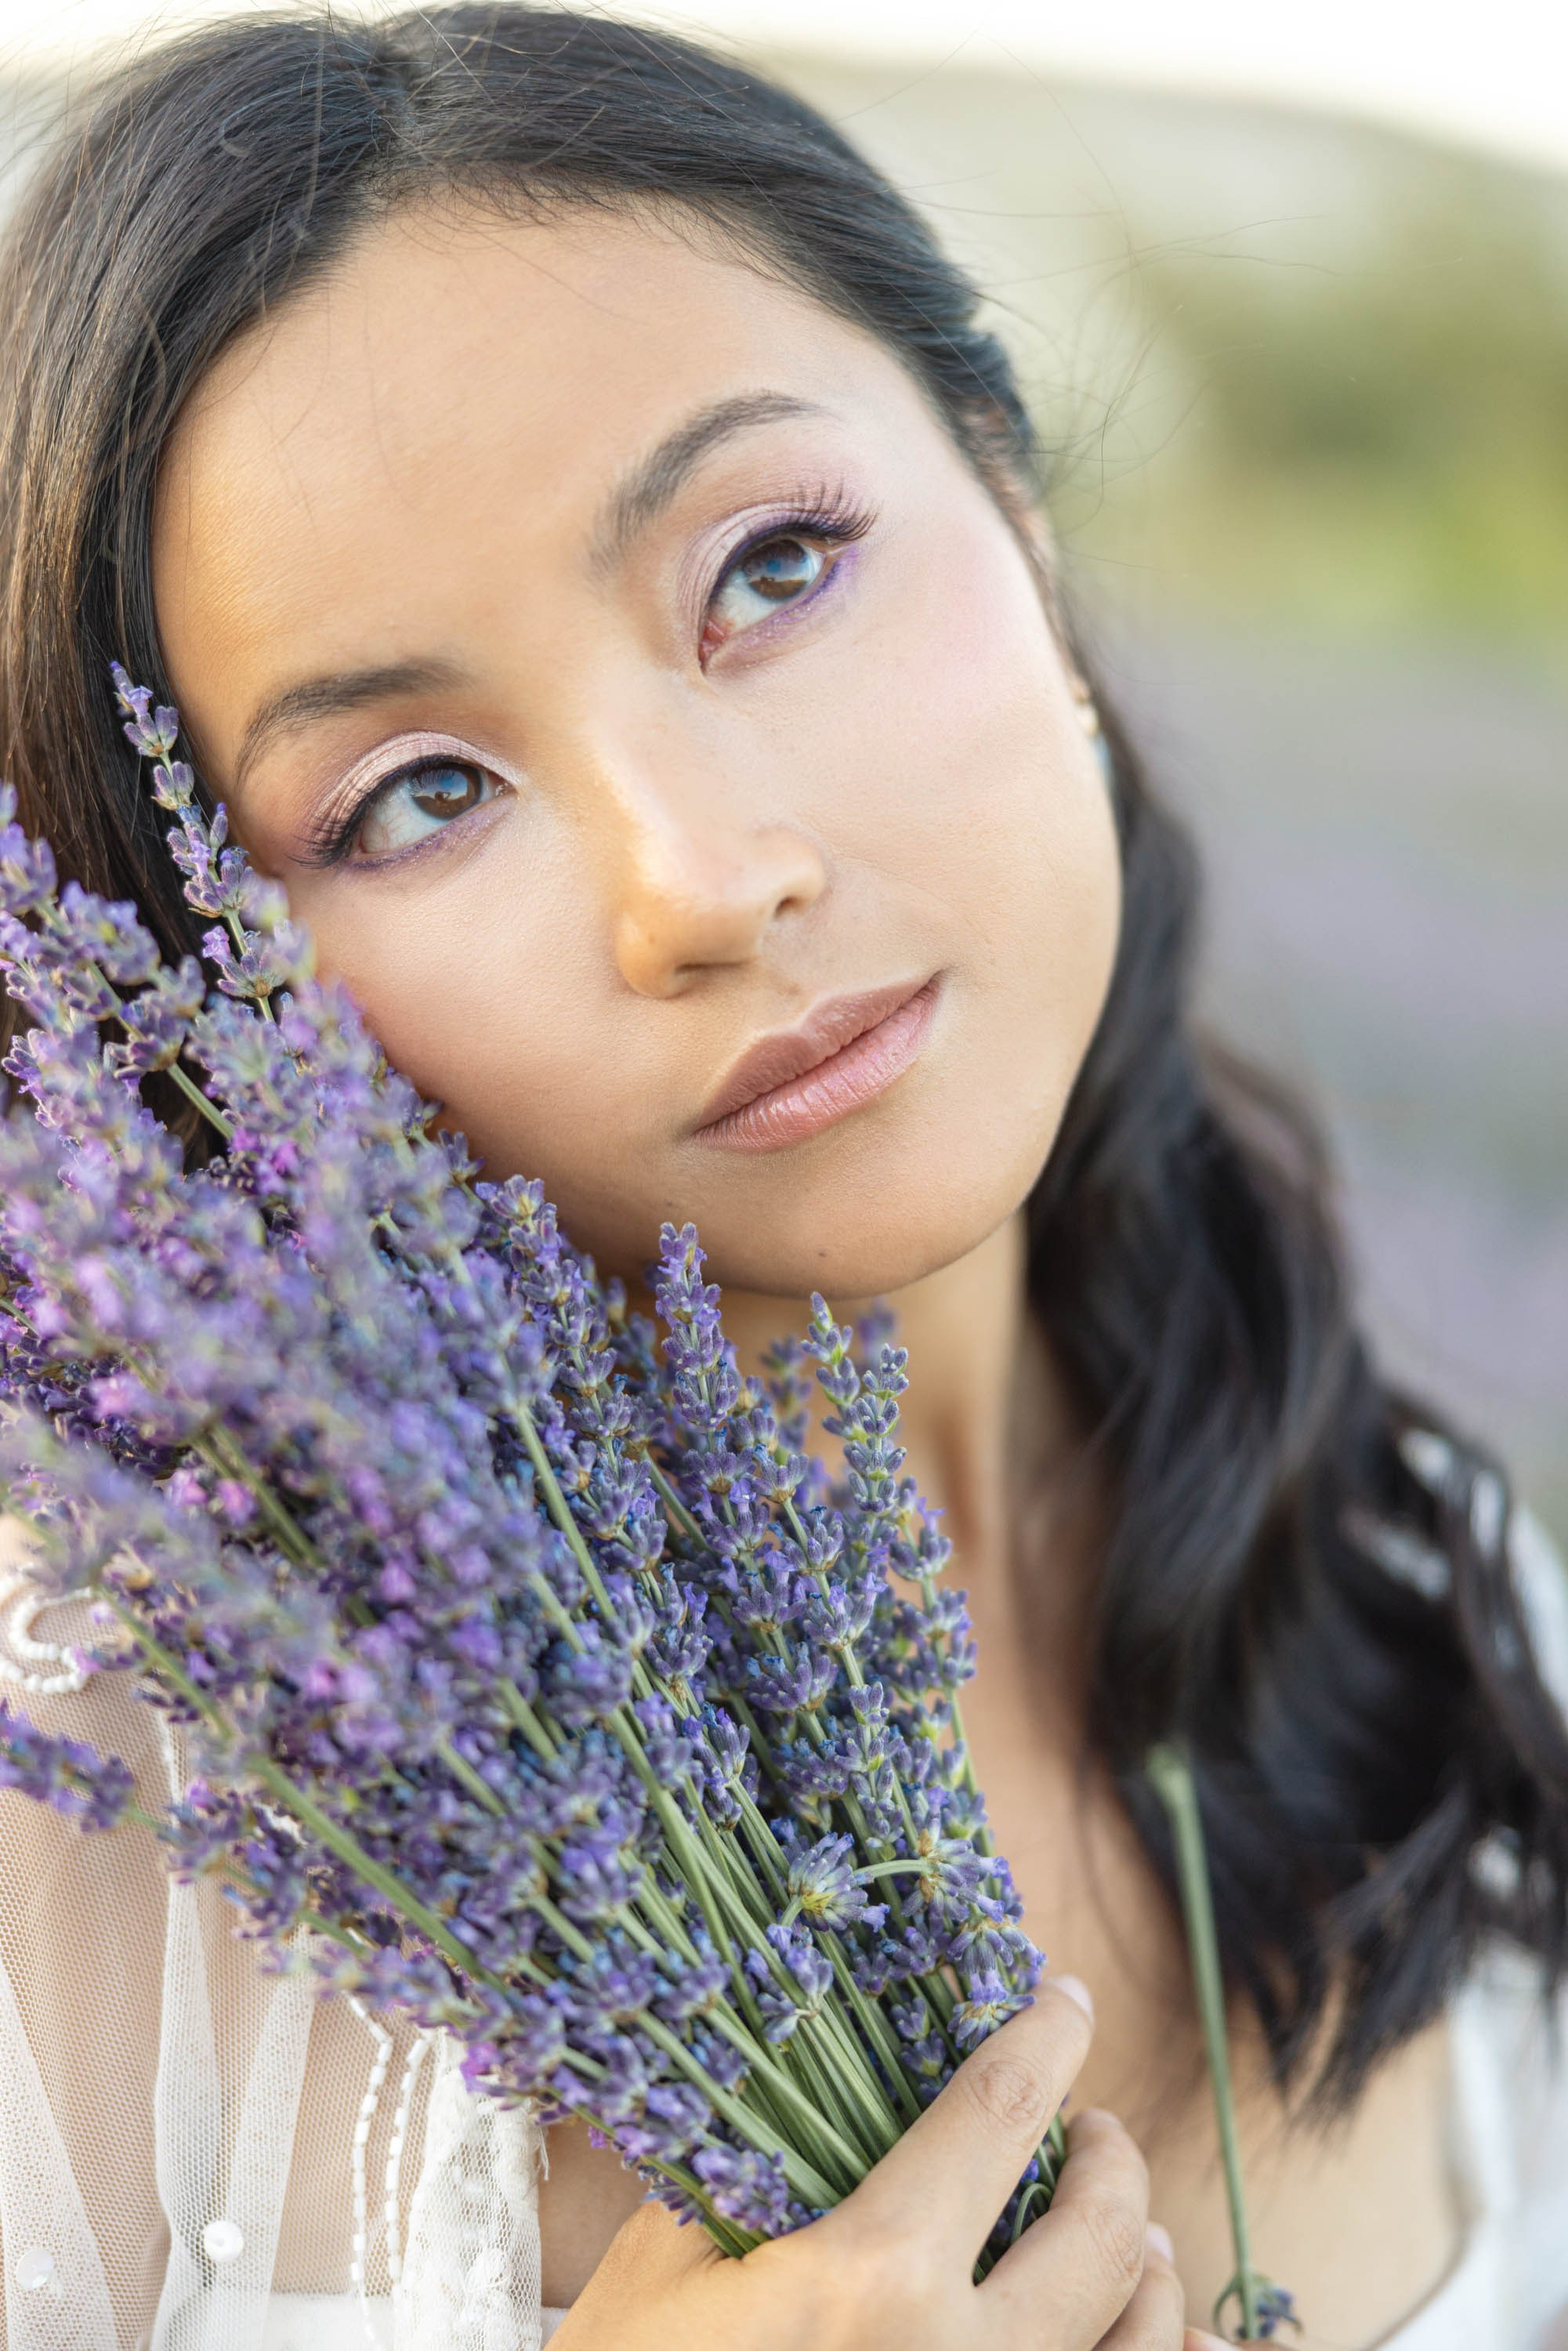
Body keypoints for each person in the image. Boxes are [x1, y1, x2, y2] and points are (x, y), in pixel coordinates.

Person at [0, 9, 1564, 2348]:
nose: (699, 880)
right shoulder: (106, 1817)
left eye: (772, 567)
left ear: (1015, 515)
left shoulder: (1450, 1595)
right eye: (416, 794)